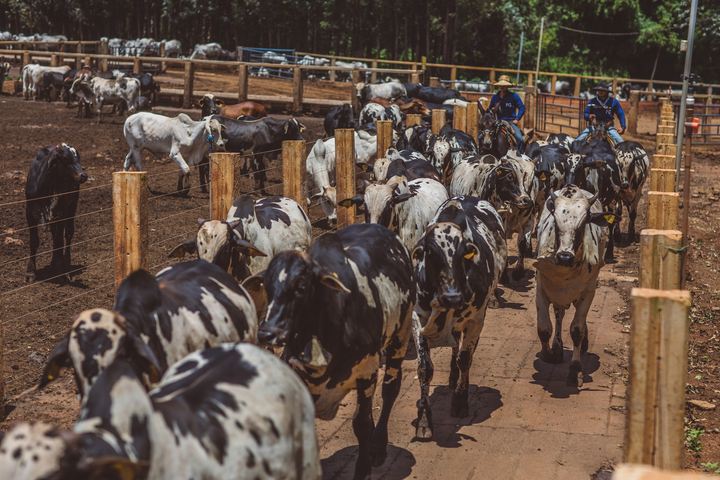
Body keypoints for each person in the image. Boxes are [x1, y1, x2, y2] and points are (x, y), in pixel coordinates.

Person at [489, 75, 526, 153]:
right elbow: (489, 109)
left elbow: (522, 108)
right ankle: (480, 154)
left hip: (510, 121)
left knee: (520, 139)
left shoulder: (514, 96)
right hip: (497, 121)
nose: (502, 87)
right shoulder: (494, 97)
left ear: (507, 86)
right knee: (480, 137)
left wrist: (517, 119)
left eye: (504, 85)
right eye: (500, 85)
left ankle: (520, 156)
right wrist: (491, 110)